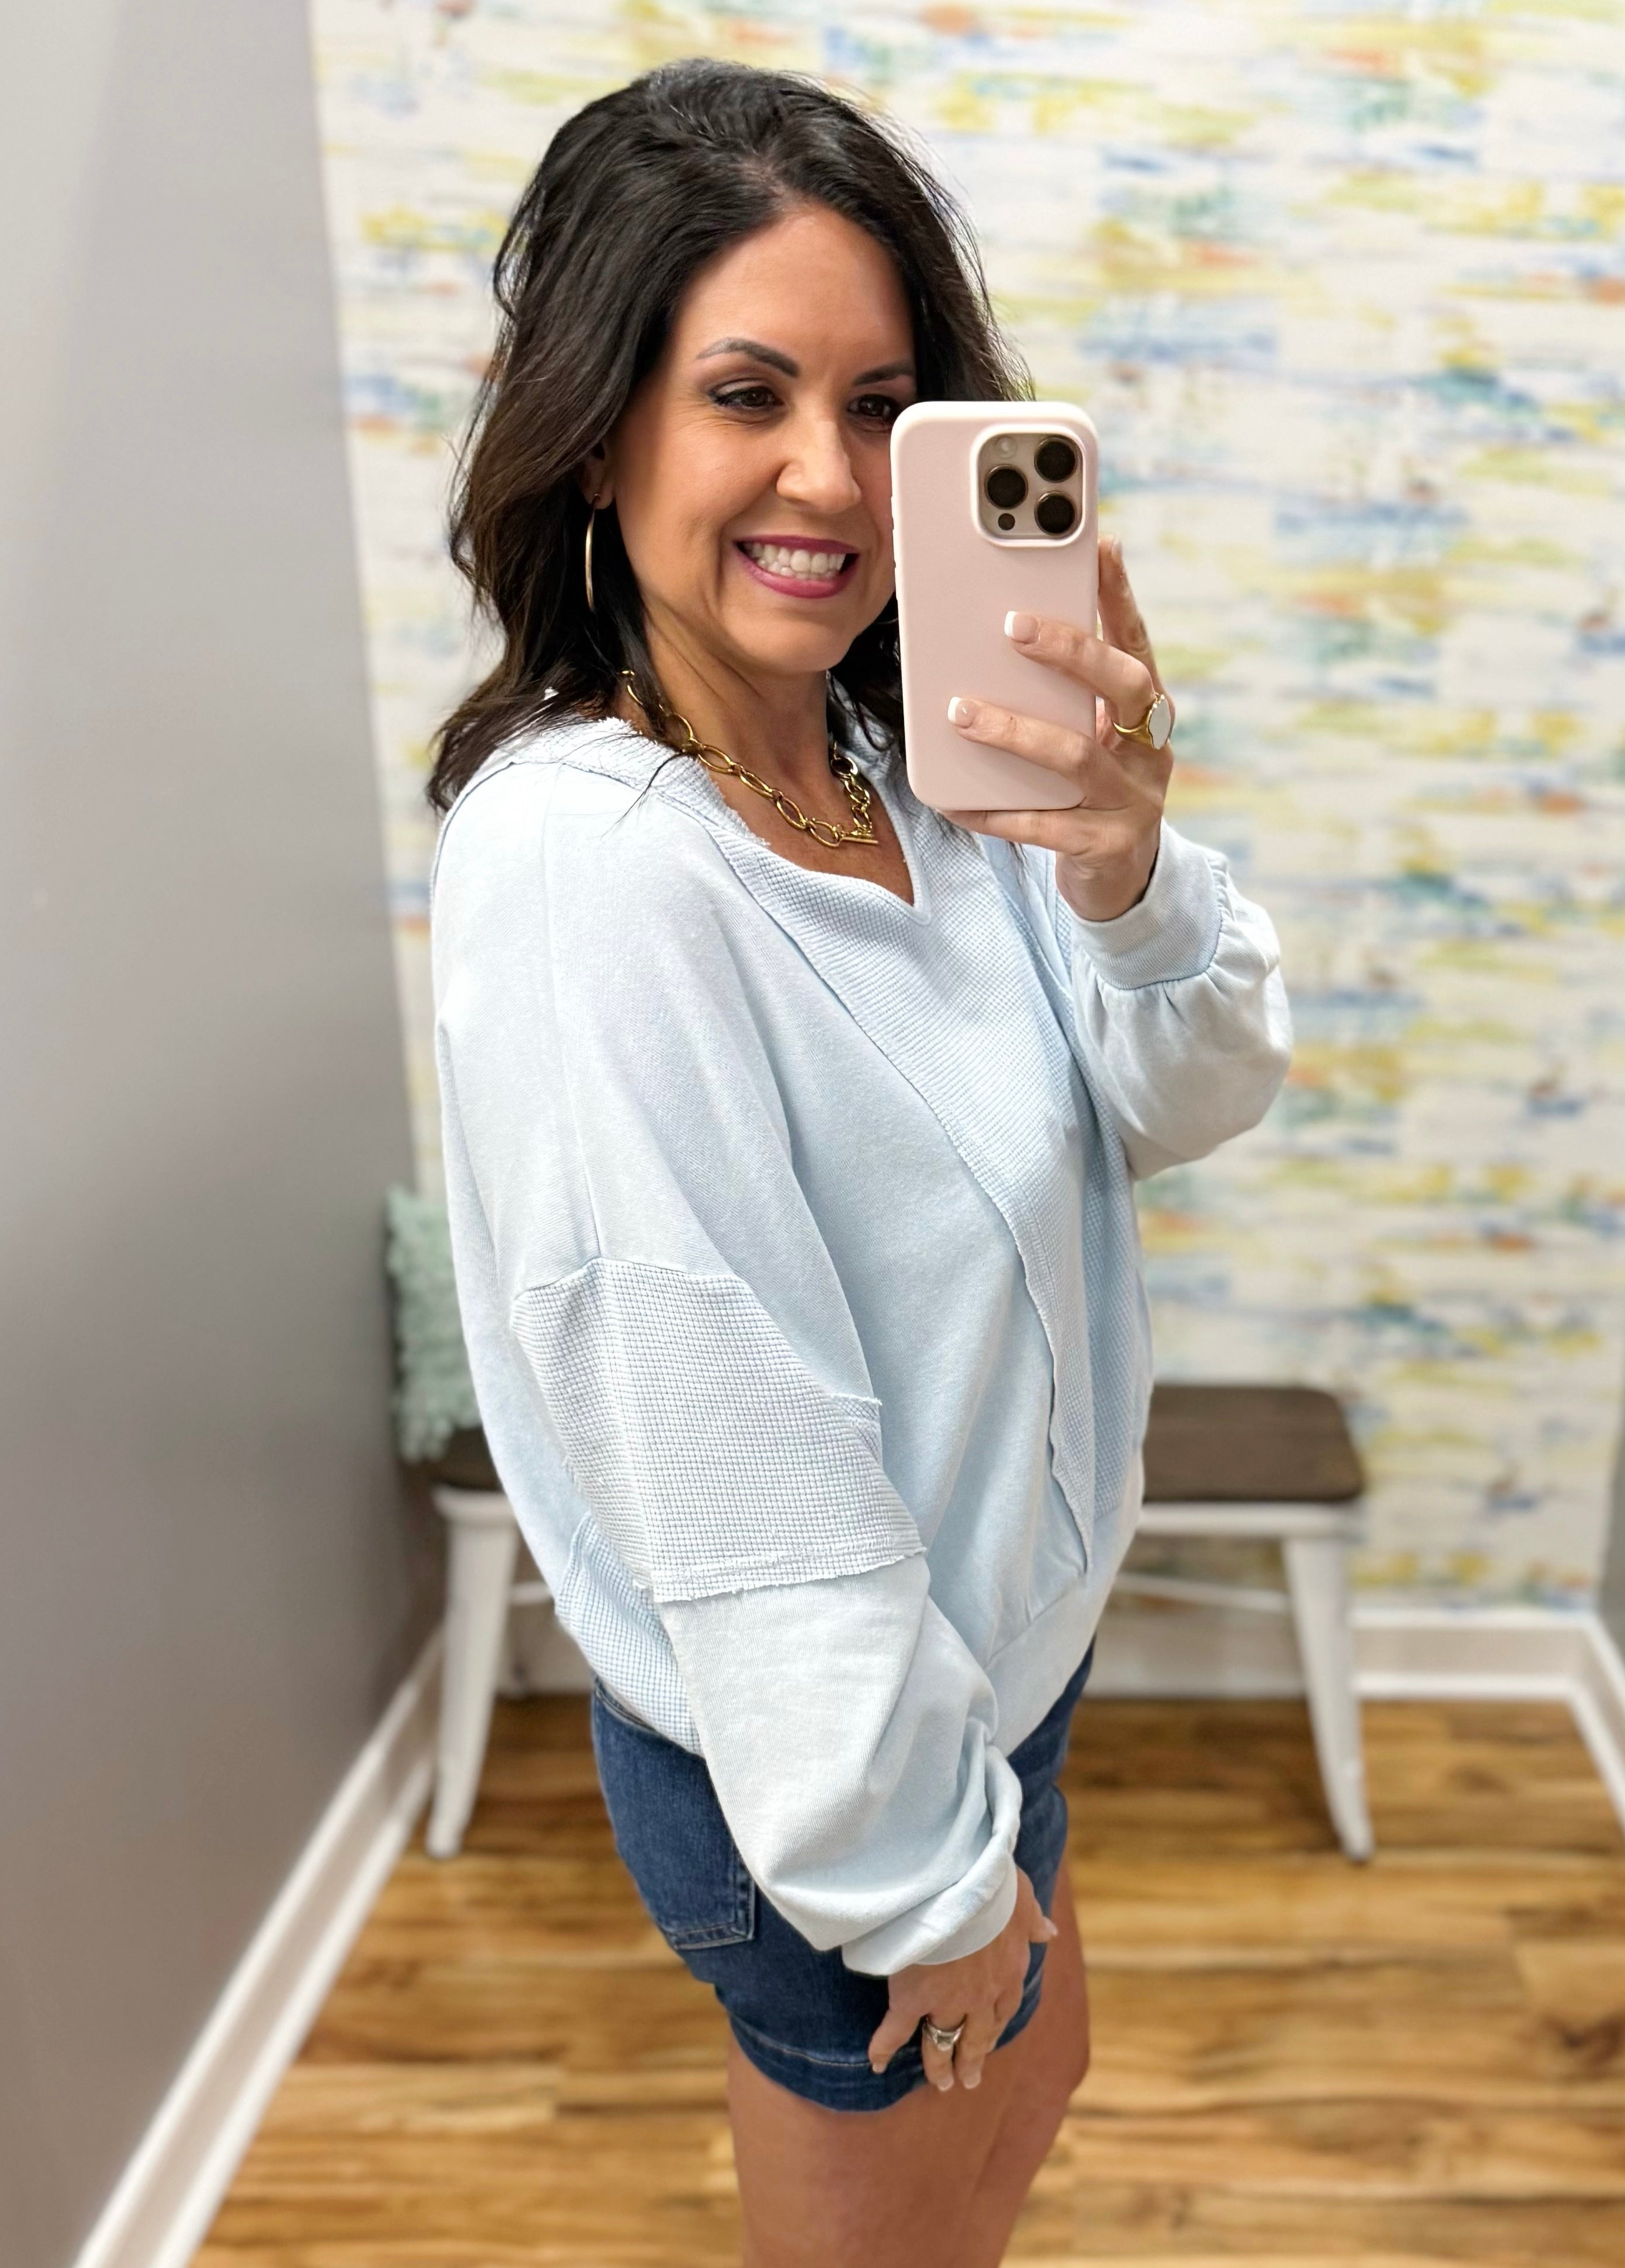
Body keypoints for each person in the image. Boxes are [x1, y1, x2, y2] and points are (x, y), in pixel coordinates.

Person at [428, 58, 1290, 2268]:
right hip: (824, 1762)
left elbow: (1182, 1105)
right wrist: (923, 1885)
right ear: (600, 426)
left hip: (991, 1668)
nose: (820, 474)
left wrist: (1123, 866)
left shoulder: (907, 773)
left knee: (1030, 2108)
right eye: (743, 393)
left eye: (878, 402)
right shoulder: (597, 870)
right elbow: (728, 1434)